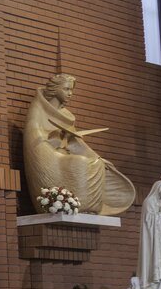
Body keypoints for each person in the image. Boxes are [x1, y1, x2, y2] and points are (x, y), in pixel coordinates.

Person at [23, 73, 134, 216]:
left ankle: (88, 207)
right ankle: (75, 203)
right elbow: (34, 137)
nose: (70, 93)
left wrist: (96, 157)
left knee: (96, 163)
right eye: (66, 89)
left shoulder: (66, 115)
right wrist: (54, 148)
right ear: (55, 89)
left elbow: (76, 143)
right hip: (49, 156)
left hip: (63, 156)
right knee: (80, 162)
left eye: (71, 90)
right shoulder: (38, 109)